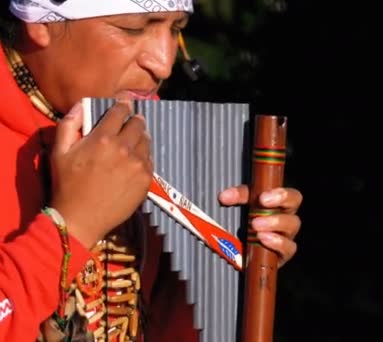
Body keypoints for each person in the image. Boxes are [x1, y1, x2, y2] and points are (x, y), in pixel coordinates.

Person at [0, 1, 302, 341]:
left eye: (176, 29)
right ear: (41, 24)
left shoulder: (152, 139)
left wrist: (221, 267)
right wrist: (71, 228)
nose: (163, 65)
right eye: (134, 28)